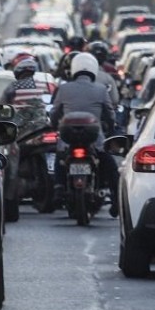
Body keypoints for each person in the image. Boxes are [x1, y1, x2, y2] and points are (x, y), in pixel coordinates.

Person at [51, 52, 120, 209]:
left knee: (59, 158)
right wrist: (111, 127)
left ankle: (59, 187)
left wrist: (54, 125)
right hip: (95, 138)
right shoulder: (101, 89)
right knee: (110, 165)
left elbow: (55, 112)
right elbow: (110, 114)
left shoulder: (64, 88)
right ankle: (116, 199)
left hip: (67, 138)